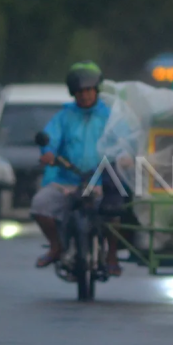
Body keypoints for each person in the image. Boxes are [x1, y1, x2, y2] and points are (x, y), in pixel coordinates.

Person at [30, 61, 124, 276]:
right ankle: (56, 246)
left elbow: (125, 139)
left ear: (96, 90)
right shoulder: (64, 116)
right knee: (40, 205)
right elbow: (50, 138)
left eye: (89, 90)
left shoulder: (110, 115)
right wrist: (48, 152)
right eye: (80, 91)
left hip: (101, 180)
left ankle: (112, 256)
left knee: (114, 212)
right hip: (66, 179)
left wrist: (126, 157)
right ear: (73, 93)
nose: (85, 95)